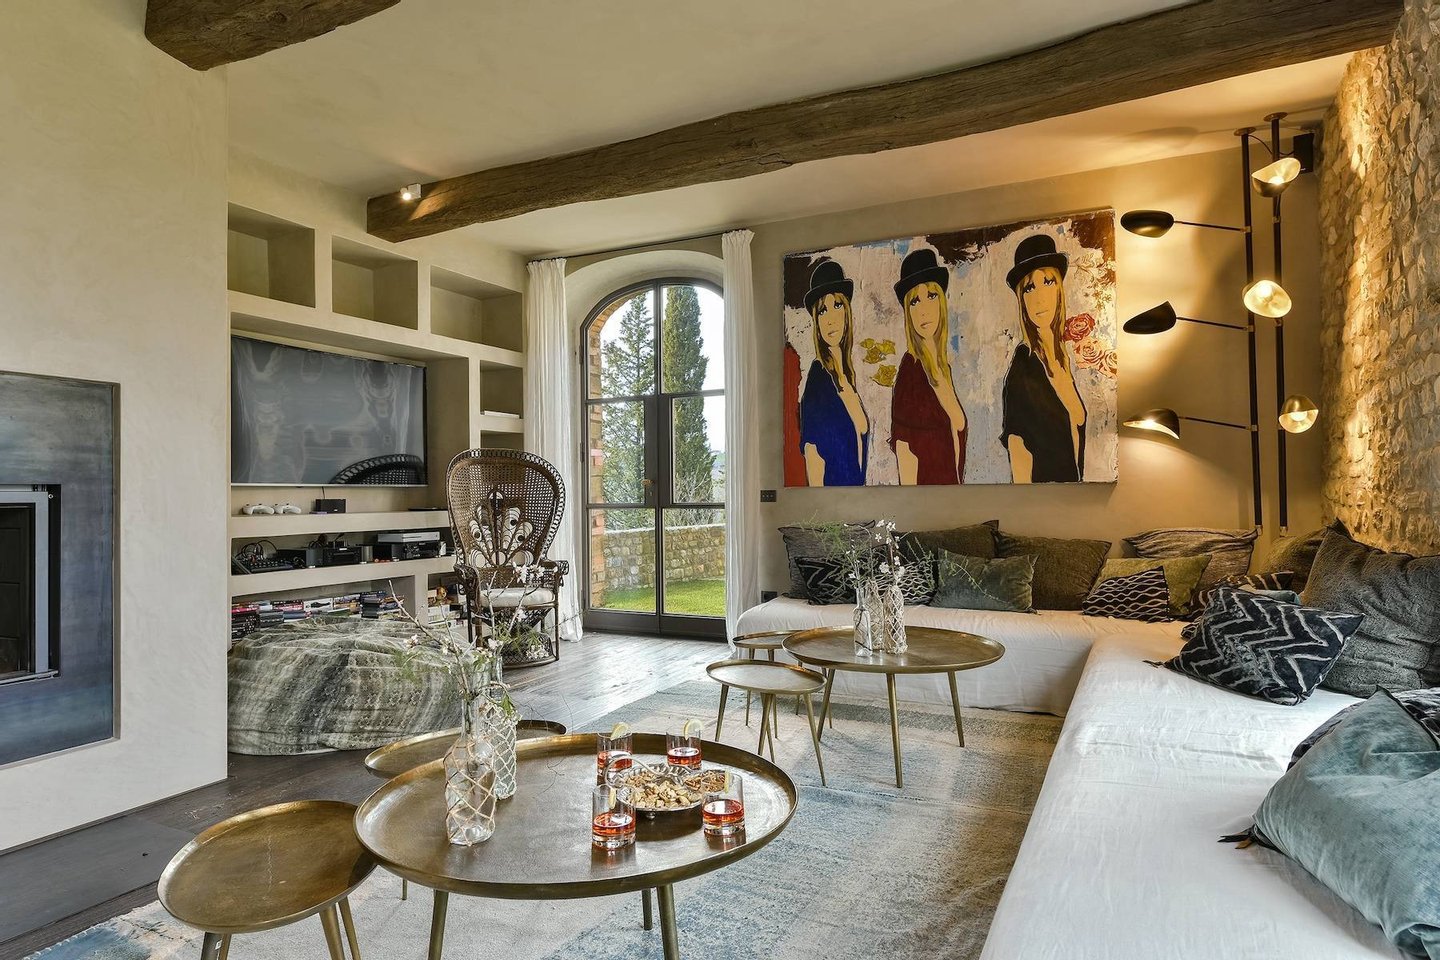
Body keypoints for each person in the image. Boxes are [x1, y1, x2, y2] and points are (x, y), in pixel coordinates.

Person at [1000, 234, 1088, 483]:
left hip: (1073, 502)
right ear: (1022, 299)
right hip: (1043, 502)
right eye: (1029, 288)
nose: (1039, 297)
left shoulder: (1062, 362)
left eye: (1048, 282)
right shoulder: (1023, 370)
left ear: (1059, 289)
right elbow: (1020, 466)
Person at [889, 248, 967, 484]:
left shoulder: (943, 369)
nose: (923, 310)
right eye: (914, 301)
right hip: (927, 504)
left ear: (941, 301)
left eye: (931, 296)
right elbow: (905, 454)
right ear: (908, 312)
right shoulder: (910, 372)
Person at [798, 258, 868, 485]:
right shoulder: (818, 378)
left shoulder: (846, 378)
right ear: (816, 322)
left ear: (846, 312)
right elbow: (813, 452)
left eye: (837, 306)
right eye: (822, 311)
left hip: (857, 499)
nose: (830, 320)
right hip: (833, 501)